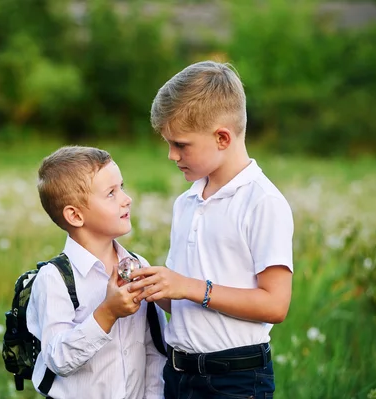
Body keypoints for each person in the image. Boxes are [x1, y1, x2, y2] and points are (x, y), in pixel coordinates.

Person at [128, 60, 294, 399]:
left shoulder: (262, 202)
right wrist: (157, 288)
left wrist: (189, 286)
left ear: (222, 137)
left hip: (235, 378)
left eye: (181, 144)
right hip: (179, 373)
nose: (172, 155)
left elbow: (275, 305)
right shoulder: (186, 202)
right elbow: (185, 303)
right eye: (168, 144)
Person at [26, 146, 166, 399]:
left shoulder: (137, 265)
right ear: (76, 215)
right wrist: (107, 313)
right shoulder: (55, 278)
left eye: (121, 186)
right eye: (111, 193)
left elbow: (153, 348)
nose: (126, 198)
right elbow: (58, 359)